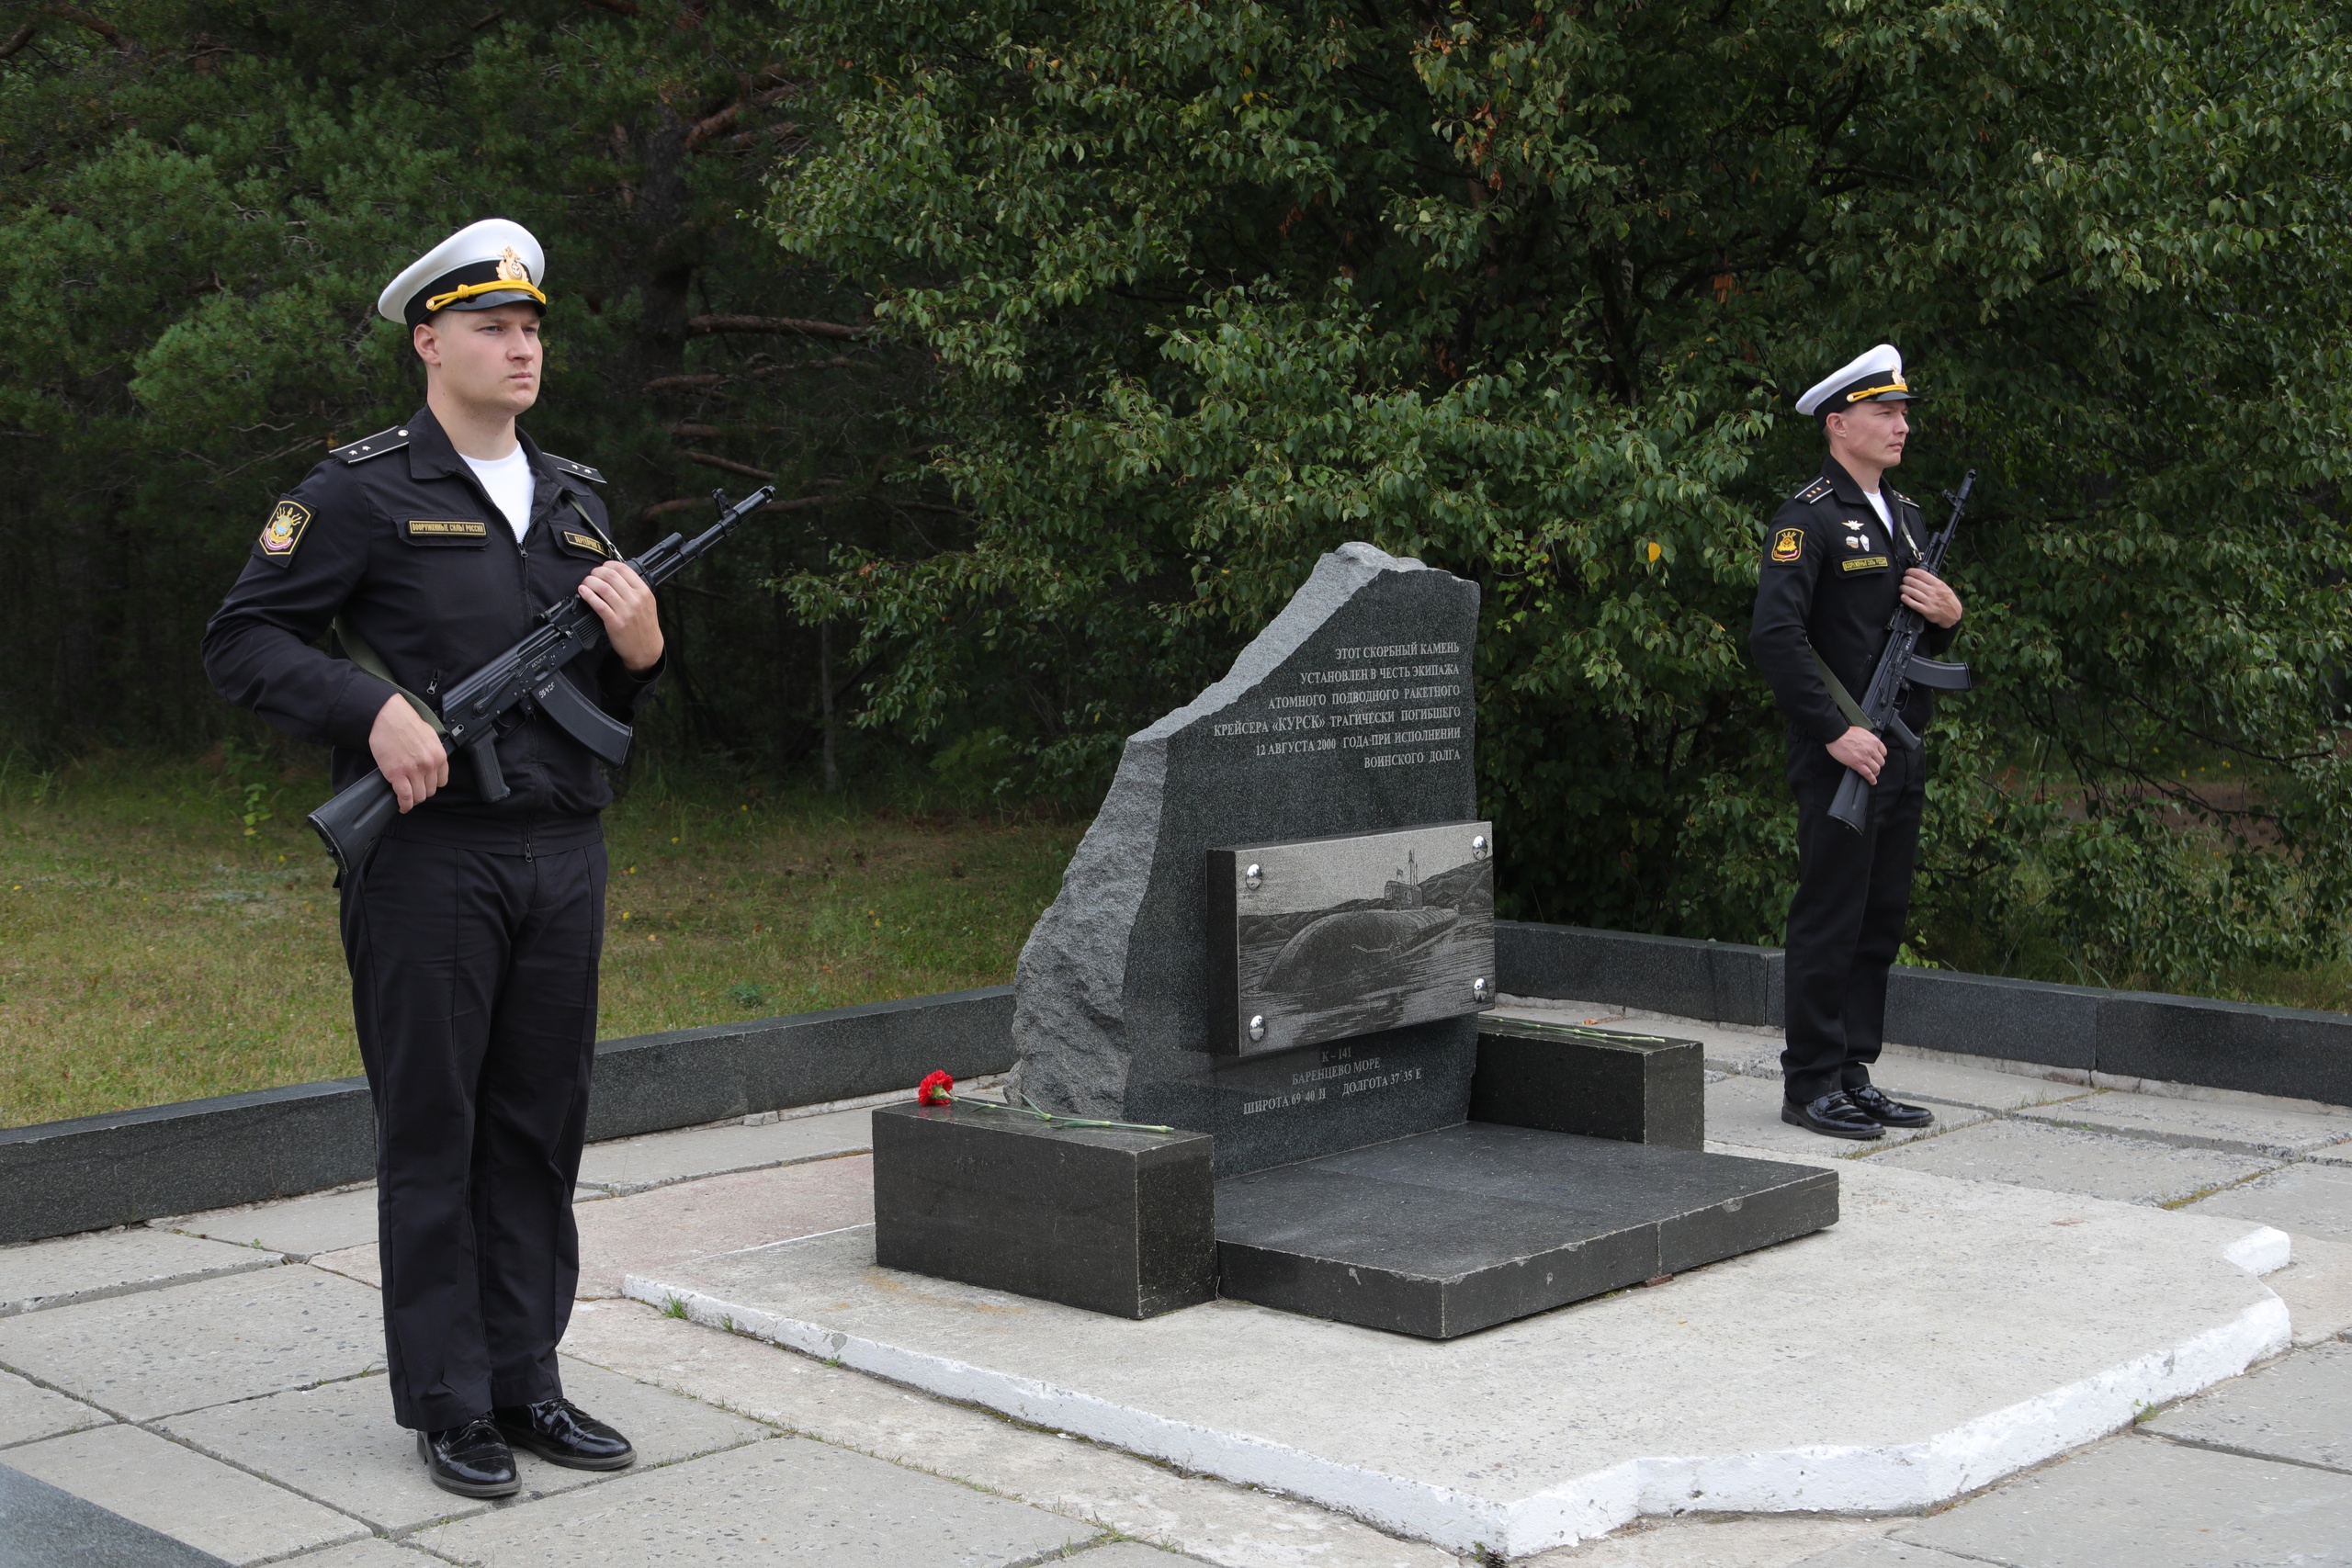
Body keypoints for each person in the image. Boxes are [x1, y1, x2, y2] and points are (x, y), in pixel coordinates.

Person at [203, 220, 660, 1496]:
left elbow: (625, 710)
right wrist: (371, 707)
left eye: (531, 328)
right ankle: (449, 1397)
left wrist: (647, 646)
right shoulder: (357, 488)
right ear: (430, 342)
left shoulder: (577, 495)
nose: (521, 348)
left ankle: (528, 1377)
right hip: (428, 859)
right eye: (492, 328)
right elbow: (242, 640)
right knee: (436, 1125)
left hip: (562, 849)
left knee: (539, 1125)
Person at [1748, 344, 1965, 1141]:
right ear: (1839, 424)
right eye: (1885, 411)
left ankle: (1852, 1071)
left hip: (1897, 748)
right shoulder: (1806, 519)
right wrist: (1839, 731)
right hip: (1841, 751)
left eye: (1903, 411)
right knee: (1830, 914)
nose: (1901, 423)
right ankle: (1809, 1082)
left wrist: (1948, 619)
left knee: (1879, 917)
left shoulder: (1905, 520)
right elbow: (1775, 638)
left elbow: (1913, 644)